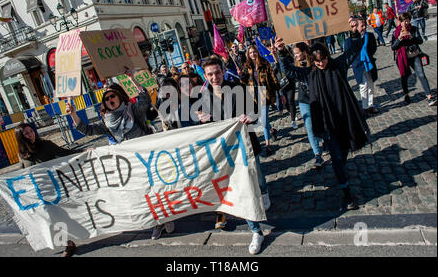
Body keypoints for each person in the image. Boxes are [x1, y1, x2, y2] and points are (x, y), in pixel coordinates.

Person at [66, 82, 176, 242]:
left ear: (119, 97)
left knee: (156, 189)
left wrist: (132, 79)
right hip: (129, 164)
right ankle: (157, 223)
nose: (110, 99)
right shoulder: (107, 121)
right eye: (107, 98)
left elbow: (145, 100)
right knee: (143, 193)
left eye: (112, 96)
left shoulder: (132, 110)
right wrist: (72, 114)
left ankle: (167, 217)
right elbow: (87, 130)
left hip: (146, 157)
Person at [274, 39, 371, 211]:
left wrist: (355, 33)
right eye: (317, 60)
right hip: (327, 124)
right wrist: (281, 52)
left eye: (323, 59)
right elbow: (288, 69)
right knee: (336, 157)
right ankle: (346, 191)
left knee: (344, 151)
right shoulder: (309, 73)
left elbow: (353, 51)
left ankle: (341, 172)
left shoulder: (338, 65)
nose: (320, 63)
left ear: (327, 56)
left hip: (343, 118)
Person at [197, 57, 269, 255]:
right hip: (227, 154)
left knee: (259, 179)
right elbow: (205, 127)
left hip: (246, 145)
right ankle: (256, 231)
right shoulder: (203, 97)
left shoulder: (237, 87)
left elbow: (255, 111)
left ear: (223, 71)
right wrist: (202, 120)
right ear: (205, 76)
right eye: (210, 74)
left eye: (217, 72)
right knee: (242, 189)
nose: (214, 77)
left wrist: (249, 117)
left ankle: (264, 192)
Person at [14, 122, 80, 257]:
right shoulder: (22, 154)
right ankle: (68, 244)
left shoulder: (46, 145)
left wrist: (84, 152)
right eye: (26, 133)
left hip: (54, 189)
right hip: (39, 193)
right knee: (51, 219)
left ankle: (75, 237)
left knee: (63, 215)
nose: (30, 134)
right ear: (20, 137)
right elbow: (20, 173)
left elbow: (65, 154)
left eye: (31, 131)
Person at [274, 41, 325, 167]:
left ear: (305, 52)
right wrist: (280, 52)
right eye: (294, 53)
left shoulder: (316, 63)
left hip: (319, 98)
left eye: (297, 53)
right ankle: (317, 154)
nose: (295, 55)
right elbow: (286, 69)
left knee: (323, 124)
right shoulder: (296, 64)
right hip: (304, 100)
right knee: (309, 127)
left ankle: (325, 141)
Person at [240, 45, 280, 157]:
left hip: (264, 95)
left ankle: (267, 145)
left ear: (257, 52)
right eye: (251, 52)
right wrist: (242, 77)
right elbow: (244, 83)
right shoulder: (246, 66)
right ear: (248, 54)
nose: (253, 54)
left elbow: (273, 77)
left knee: (263, 121)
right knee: (264, 119)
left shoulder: (264, 63)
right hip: (253, 97)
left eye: (254, 52)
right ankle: (272, 130)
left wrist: (279, 92)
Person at [391, 12, 437, 106]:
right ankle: (406, 94)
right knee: (404, 76)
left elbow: (420, 41)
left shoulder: (414, 29)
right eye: (404, 21)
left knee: (421, 75)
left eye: (407, 21)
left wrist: (412, 38)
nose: (406, 23)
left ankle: (429, 96)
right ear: (400, 22)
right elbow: (393, 47)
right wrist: (399, 38)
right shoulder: (395, 32)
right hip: (402, 58)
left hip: (414, 55)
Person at [344, 17, 380, 117]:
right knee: (363, 85)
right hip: (358, 65)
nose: (363, 28)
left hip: (369, 63)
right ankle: (365, 107)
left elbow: (373, 48)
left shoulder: (370, 36)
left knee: (370, 85)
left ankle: (371, 105)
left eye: (364, 25)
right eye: (361, 26)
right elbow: (348, 52)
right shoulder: (349, 40)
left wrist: (367, 56)